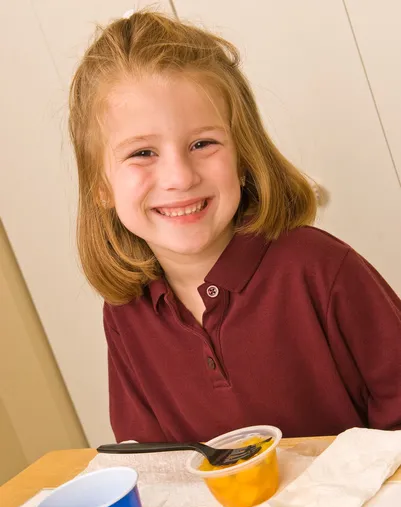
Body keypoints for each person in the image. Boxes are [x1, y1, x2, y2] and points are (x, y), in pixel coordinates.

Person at [68, 10, 401, 443]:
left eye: (202, 144)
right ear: (101, 188)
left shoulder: (321, 269)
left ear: (243, 158)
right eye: (142, 153)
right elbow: (154, 467)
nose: (180, 177)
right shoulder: (124, 315)